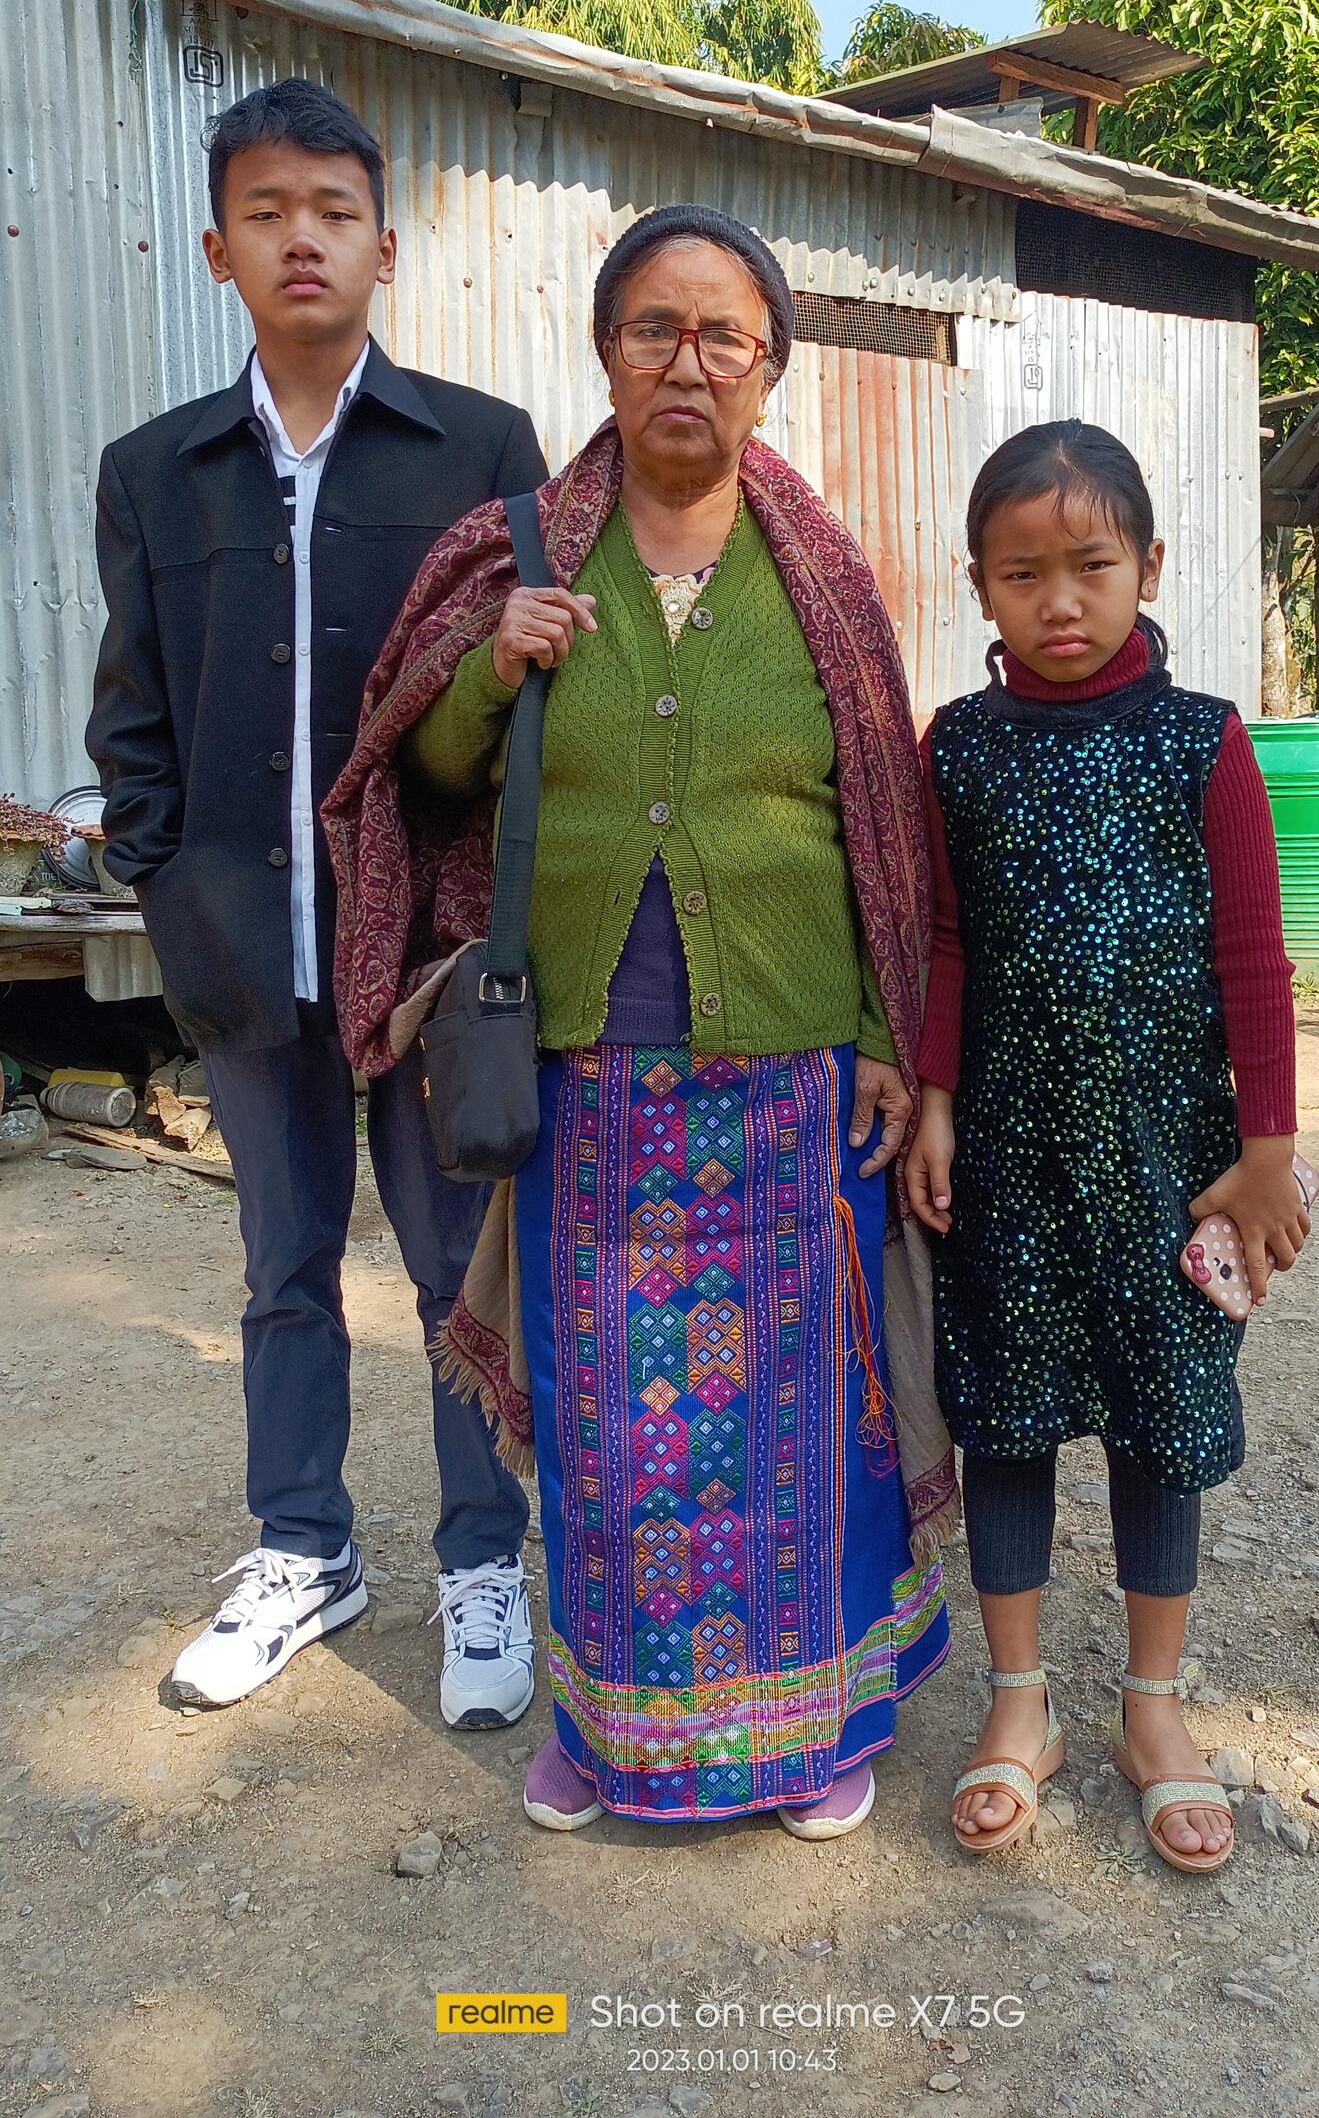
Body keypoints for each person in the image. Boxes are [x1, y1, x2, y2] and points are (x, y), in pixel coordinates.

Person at [324, 202, 955, 1838]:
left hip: (790, 1072)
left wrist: (885, 1034)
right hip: (585, 1075)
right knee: (611, 1430)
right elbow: (420, 777)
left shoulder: (822, 578)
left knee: (804, 1430)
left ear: (769, 366)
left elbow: (883, 828)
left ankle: (810, 1738)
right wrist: (490, 671)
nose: (688, 361)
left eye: (723, 333)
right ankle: (605, 1735)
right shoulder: (521, 547)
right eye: (654, 329)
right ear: (606, 354)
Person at [87, 78, 547, 1725]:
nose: (304, 239)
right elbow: (133, 713)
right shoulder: (157, 472)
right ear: (219, 248)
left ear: (384, 248)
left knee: (452, 1272)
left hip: (422, 954)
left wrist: (499, 921)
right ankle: (303, 1549)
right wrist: (166, 878)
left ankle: (483, 1566)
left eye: (335, 212)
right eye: (268, 212)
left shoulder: (482, 450)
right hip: (245, 944)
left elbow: (525, 704)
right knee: (283, 1265)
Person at [904, 419, 1304, 1874]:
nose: (1059, 602)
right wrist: (935, 1098)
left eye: (1091, 565)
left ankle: (1152, 1708)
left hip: (1164, 1157)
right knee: (1006, 1415)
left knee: (1158, 1417)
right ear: (979, 586)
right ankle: (1020, 1706)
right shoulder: (959, 748)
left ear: (1150, 565)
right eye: (1022, 575)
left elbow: (1252, 954)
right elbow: (946, 941)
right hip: (1006, 1154)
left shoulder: (1204, 740)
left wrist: (1267, 1150)